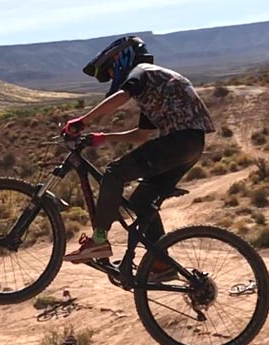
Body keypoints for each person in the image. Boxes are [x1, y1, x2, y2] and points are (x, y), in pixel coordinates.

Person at [60, 35, 215, 279]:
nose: (112, 76)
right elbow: (141, 135)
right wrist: (103, 137)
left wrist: (83, 121)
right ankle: (162, 265)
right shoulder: (155, 86)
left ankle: (98, 240)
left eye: (110, 70)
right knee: (142, 202)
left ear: (122, 58)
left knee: (114, 173)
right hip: (190, 145)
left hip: (178, 142)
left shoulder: (142, 71)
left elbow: (121, 96)